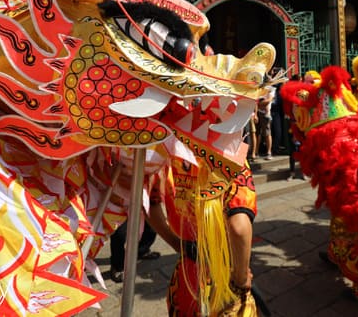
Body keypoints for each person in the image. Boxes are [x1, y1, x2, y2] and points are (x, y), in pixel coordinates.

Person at [146, 161, 258, 315]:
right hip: (224, 277)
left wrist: (178, 245)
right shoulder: (229, 155)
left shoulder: (163, 153)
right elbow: (239, 228)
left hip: (186, 278)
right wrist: (241, 277)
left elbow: (147, 203)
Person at [109, 210, 160, 283]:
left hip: (147, 202)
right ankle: (118, 265)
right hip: (120, 203)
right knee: (119, 233)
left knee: (151, 226)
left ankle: (141, 251)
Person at [254, 86, 274, 160]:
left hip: (266, 114)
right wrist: (259, 103)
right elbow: (255, 100)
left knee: (267, 133)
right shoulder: (258, 87)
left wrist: (258, 104)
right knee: (257, 133)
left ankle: (269, 152)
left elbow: (268, 101)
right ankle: (256, 152)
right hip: (257, 113)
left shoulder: (271, 89)